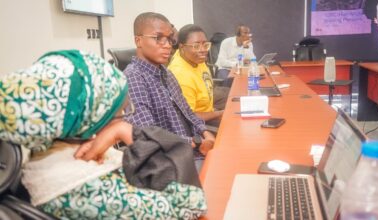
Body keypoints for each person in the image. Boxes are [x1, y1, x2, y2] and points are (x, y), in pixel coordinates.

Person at [0, 50, 206, 219]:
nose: (125, 115)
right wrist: (127, 132)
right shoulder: (82, 188)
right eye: (119, 109)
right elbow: (191, 206)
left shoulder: (53, 151)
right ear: (87, 115)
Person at [123, 12, 215, 170]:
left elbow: (187, 110)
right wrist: (196, 141)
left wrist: (205, 131)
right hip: (171, 162)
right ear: (138, 40)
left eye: (170, 39)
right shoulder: (134, 78)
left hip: (194, 149)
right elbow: (147, 134)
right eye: (158, 38)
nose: (167, 45)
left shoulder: (166, 73)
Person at [168, 24, 228, 126]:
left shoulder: (192, 57)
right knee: (233, 123)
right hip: (198, 123)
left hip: (206, 103)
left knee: (235, 97)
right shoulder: (181, 75)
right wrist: (219, 113)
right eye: (196, 46)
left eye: (205, 44)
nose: (203, 50)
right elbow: (188, 116)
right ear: (182, 47)